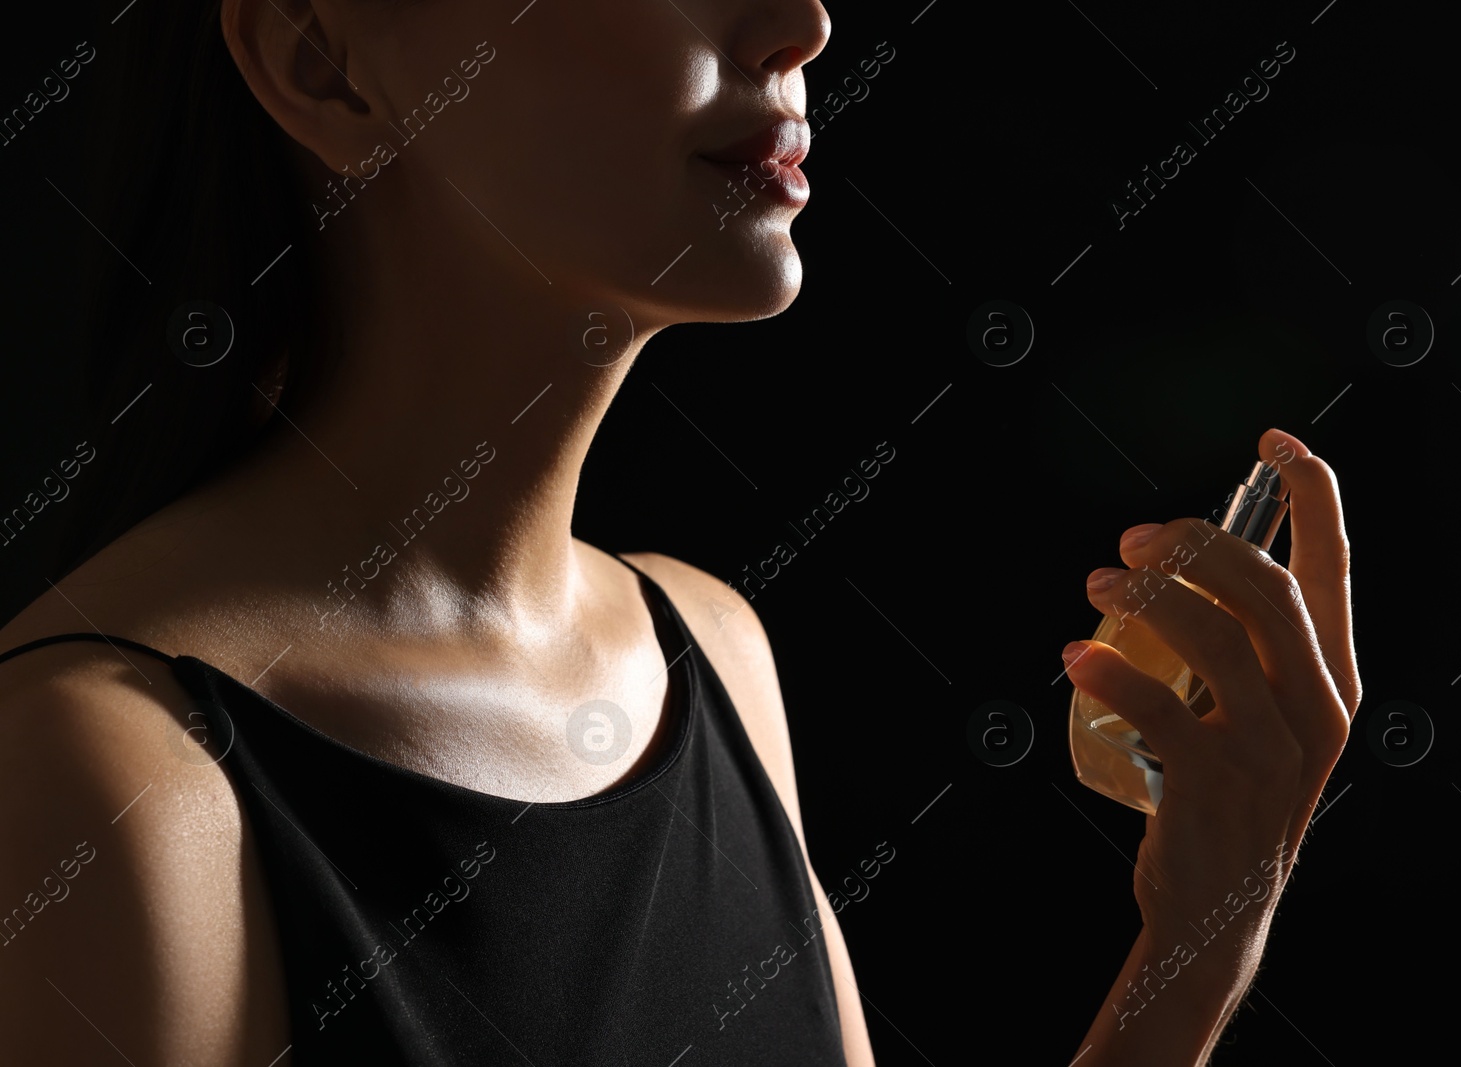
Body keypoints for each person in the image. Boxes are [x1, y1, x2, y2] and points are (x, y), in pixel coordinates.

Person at [0, 1, 1359, 1064]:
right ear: (321, 63)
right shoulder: (103, 779)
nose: (803, 20)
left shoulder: (708, 653)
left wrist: (1200, 943)